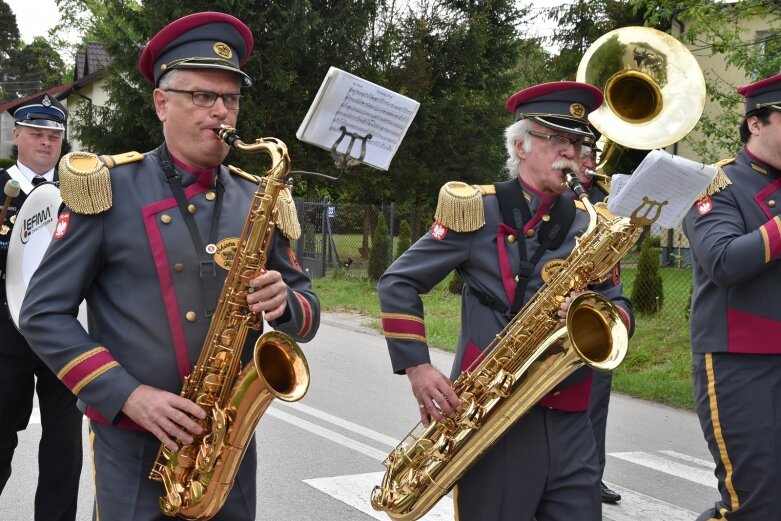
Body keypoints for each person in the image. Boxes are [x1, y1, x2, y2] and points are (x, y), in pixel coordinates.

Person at [18, 12, 320, 521]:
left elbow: (307, 311)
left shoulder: (258, 196)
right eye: (203, 96)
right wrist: (127, 394)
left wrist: (286, 303)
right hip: (131, 441)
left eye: (230, 99)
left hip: (226, 447)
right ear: (162, 103)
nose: (220, 113)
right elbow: (42, 315)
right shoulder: (107, 188)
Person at [377, 81, 634, 521]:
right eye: (557, 140)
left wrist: (599, 316)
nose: (571, 153)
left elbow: (619, 304)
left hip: (573, 417)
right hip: (494, 419)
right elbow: (398, 282)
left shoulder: (593, 225)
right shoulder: (477, 209)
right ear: (520, 145)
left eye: (577, 143)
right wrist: (417, 366)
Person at [682, 71, 781, 521]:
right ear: (756, 123)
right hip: (741, 362)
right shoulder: (715, 183)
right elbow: (723, 262)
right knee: (755, 504)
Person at [0, 92, 83, 521]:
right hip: (5, 333)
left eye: (54, 135)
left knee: (65, 445)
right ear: (17, 136)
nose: (47, 142)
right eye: (37, 134)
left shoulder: (79, 193)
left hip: (63, 334)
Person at [575, 134, 625, 505]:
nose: (589, 159)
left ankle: (594, 477)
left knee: (597, 399)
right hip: (558, 301)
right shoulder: (557, 191)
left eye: (592, 153)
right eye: (582, 153)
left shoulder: (606, 196)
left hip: (599, 299)